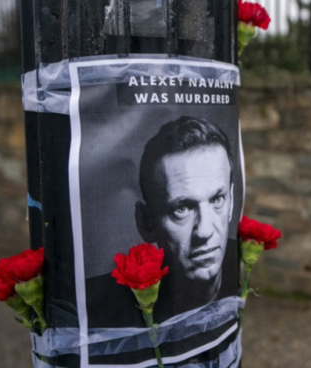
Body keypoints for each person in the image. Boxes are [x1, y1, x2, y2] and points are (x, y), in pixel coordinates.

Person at [86, 116, 236, 328]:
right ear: (146, 222)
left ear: (231, 201)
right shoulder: (100, 311)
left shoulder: (240, 266)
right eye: (181, 209)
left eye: (217, 200)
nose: (204, 231)